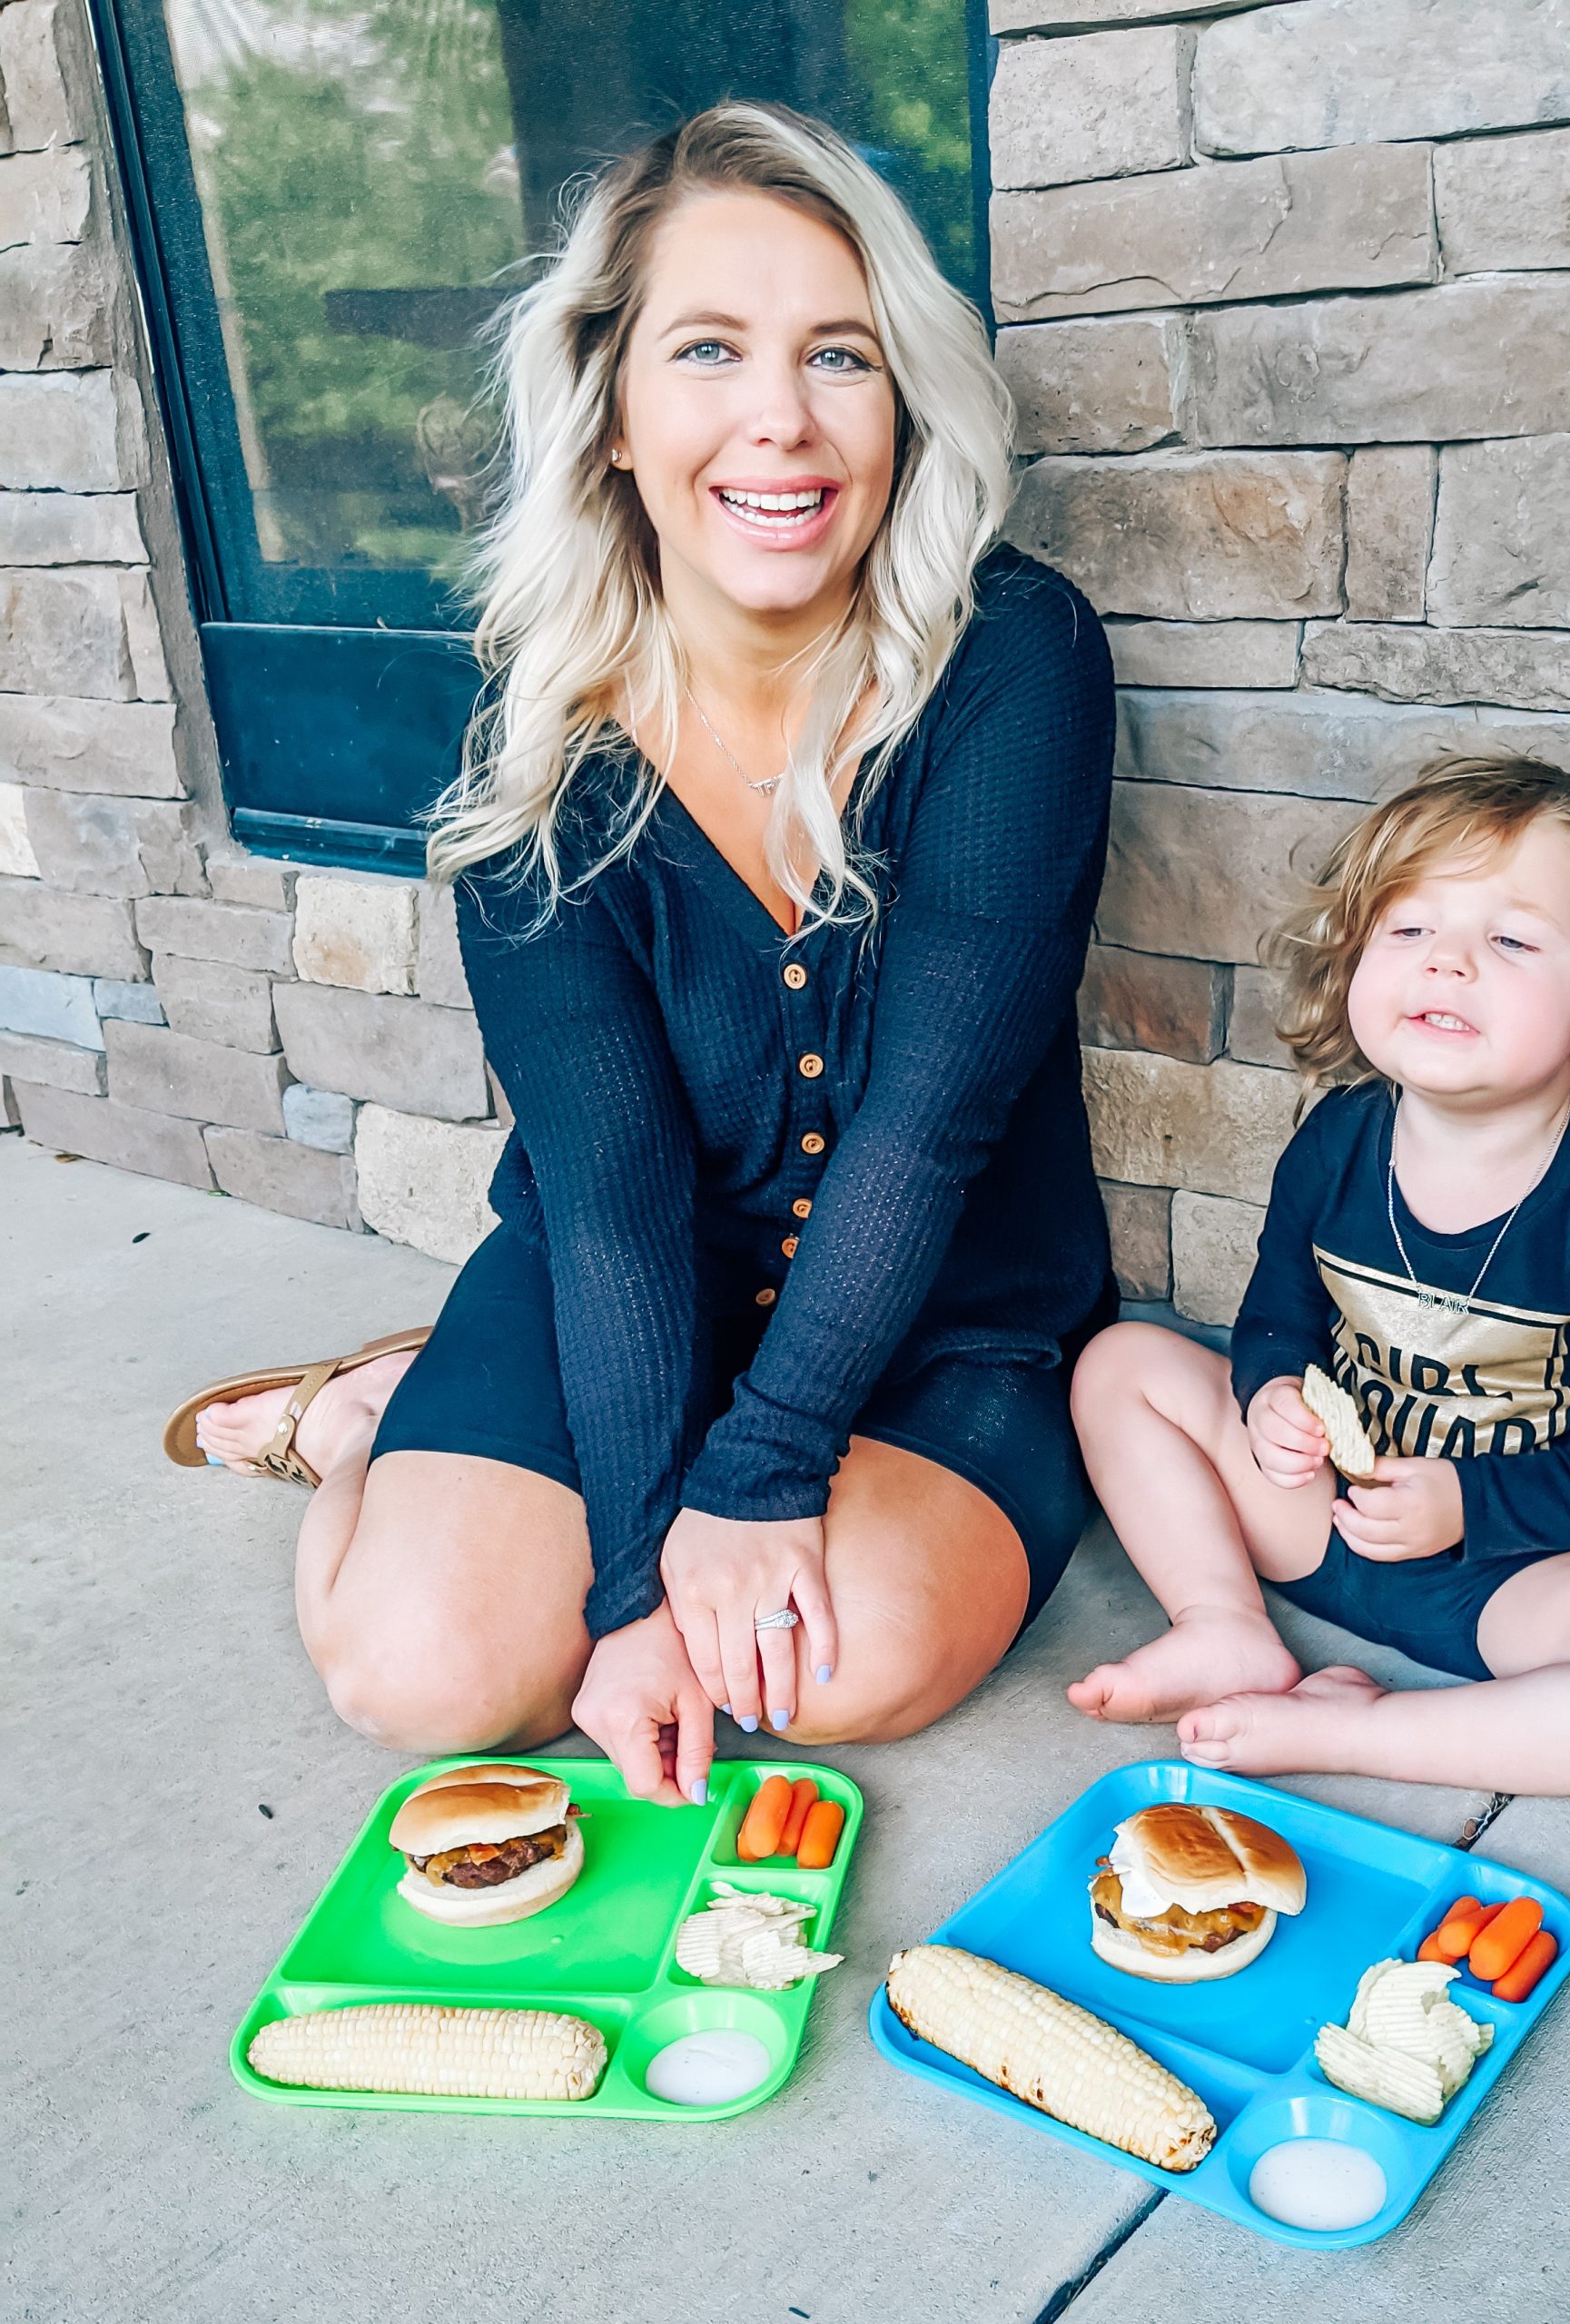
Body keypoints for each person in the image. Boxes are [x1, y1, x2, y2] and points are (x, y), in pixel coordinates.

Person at [163, 103, 1117, 1803]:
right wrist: (627, 1592)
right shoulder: (531, 733)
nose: (782, 421)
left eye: (841, 354)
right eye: (706, 350)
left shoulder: (1012, 654)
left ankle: (538, 1453)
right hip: (628, 1272)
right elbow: (609, 1198)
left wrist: (749, 1486)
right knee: (426, 1680)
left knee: (831, 1672)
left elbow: (926, 1127)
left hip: (943, 1303)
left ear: (901, 398)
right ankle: (361, 1431)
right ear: (608, 409)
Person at [1067, 757, 1570, 1796]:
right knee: (1121, 1362)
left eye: (1509, 939)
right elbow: (1279, 1315)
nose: (1447, 963)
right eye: (1410, 929)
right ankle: (1223, 1625)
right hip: (1314, 1517)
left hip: (1514, 1575)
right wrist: (1269, 1392)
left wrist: (1468, 1506)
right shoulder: (1338, 1140)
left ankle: (1360, 1731)